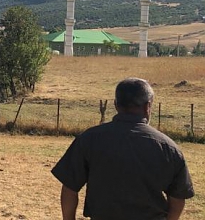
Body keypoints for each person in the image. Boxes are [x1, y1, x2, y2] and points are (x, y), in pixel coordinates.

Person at [52, 77, 194, 220]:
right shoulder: (169, 148)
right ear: (148, 106)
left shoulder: (89, 139)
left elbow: (69, 188)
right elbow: (177, 198)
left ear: (116, 105)